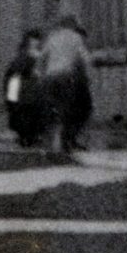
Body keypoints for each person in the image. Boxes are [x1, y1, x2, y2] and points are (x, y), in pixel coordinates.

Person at [38, 15, 94, 155]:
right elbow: (85, 58)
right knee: (68, 109)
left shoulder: (52, 38)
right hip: (66, 77)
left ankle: (49, 144)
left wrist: (41, 75)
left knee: (50, 110)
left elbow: (41, 57)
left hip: (50, 78)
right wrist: (88, 76)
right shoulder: (76, 38)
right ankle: (65, 144)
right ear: (73, 26)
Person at [2, 28, 45, 148]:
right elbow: (14, 74)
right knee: (23, 118)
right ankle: (26, 140)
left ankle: (29, 140)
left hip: (30, 92)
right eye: (33, 40)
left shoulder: (36, 55)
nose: (35, 42)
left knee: (30, 118)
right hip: (23, 91)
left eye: (37, 40)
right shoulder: (23, 56)